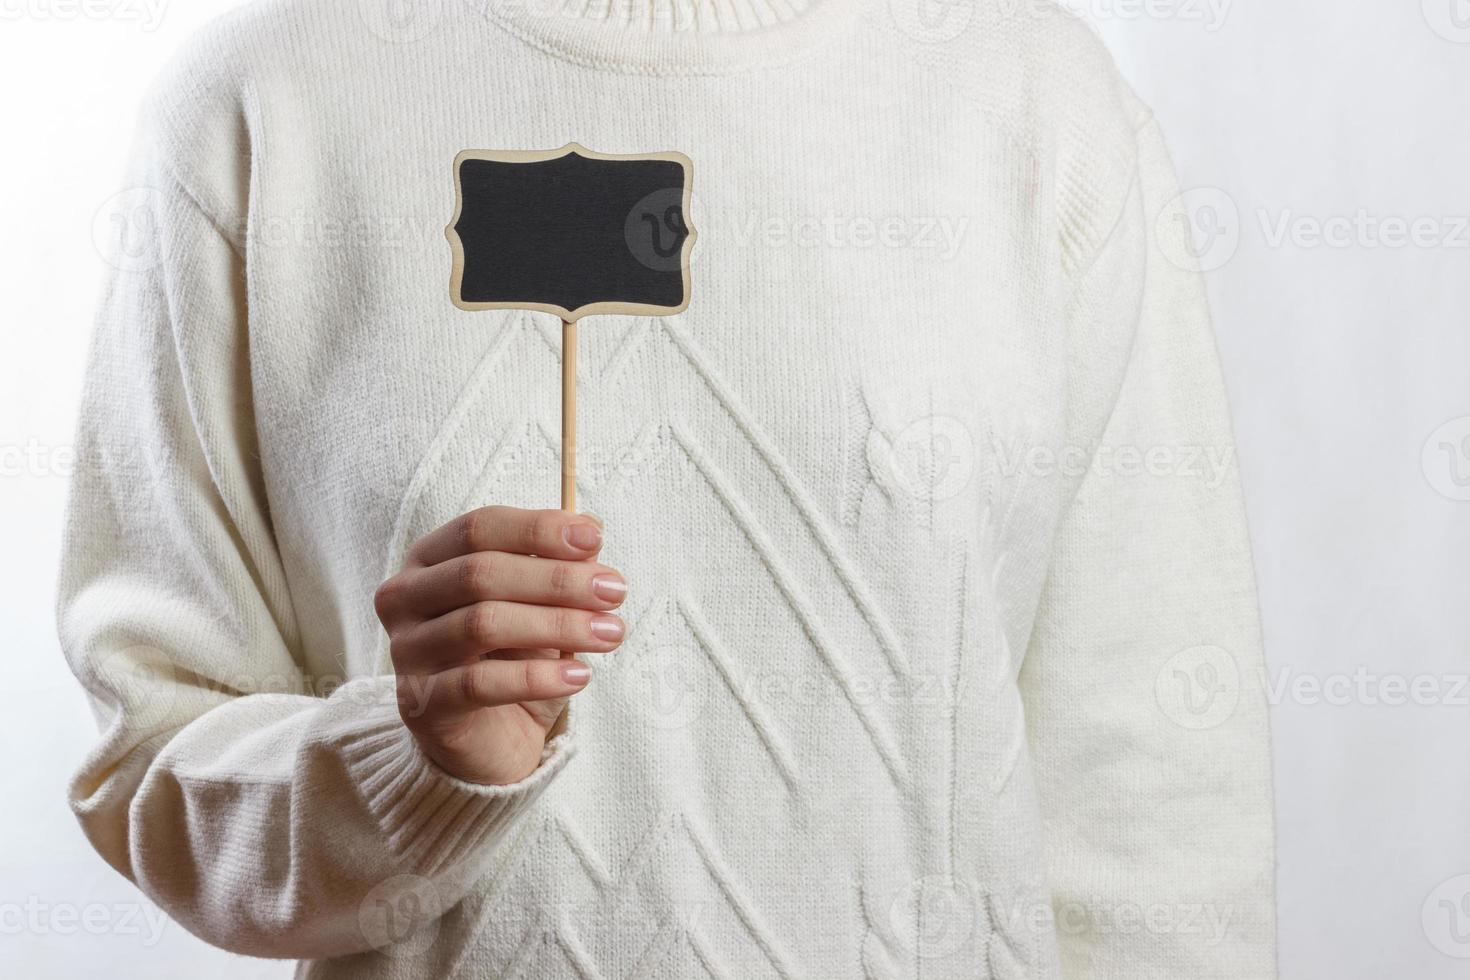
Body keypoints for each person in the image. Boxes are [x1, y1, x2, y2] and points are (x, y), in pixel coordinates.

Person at [58, 0, 1277, 976]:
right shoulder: (264, 99)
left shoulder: (1034, 96)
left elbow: (1156, 790)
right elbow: (150, 766)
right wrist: (410, 761)